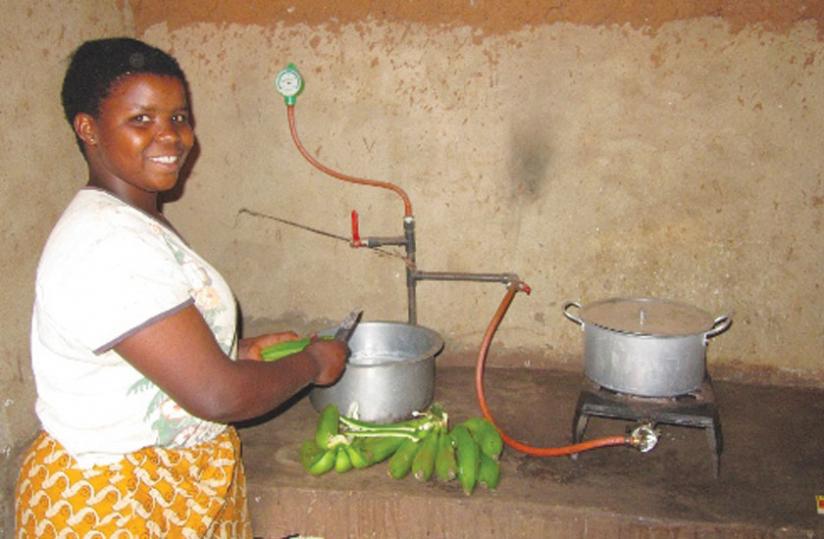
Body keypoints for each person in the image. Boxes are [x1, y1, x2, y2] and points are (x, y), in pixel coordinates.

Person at [14, 37, 347, 537]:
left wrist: (236, 350)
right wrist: (314, 364)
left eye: (178, 117)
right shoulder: (105, 242)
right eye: (141, 119)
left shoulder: (135, 218)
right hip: (112, 504)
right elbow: (218, 395)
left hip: (159, 489)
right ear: (89, 129)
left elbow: (145, 343)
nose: (171, 137)